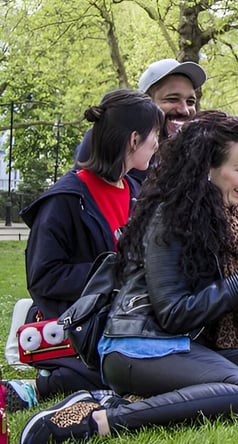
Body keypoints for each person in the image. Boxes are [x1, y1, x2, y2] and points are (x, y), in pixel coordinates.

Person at [20, 111, 238, 443]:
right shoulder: (172, 216)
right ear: (208, 169)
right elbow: (173, 313)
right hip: (138, 348)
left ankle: (152, 399)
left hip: (181, 345)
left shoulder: (218, 215)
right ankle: (98, 419)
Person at [8, 90, 164, 413]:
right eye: (155, 136)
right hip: (78, 326)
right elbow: (43, 277)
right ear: (134, 140)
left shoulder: (136, 193)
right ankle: (45, 381)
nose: (158, 144)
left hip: (126, 319)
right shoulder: (64, 201)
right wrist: (114, 273)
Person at [74, 58, 207, 183]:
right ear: (147, 103)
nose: (185, 110)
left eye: (190, 102)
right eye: (172, 99)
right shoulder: (108, 140)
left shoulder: (195, 151)